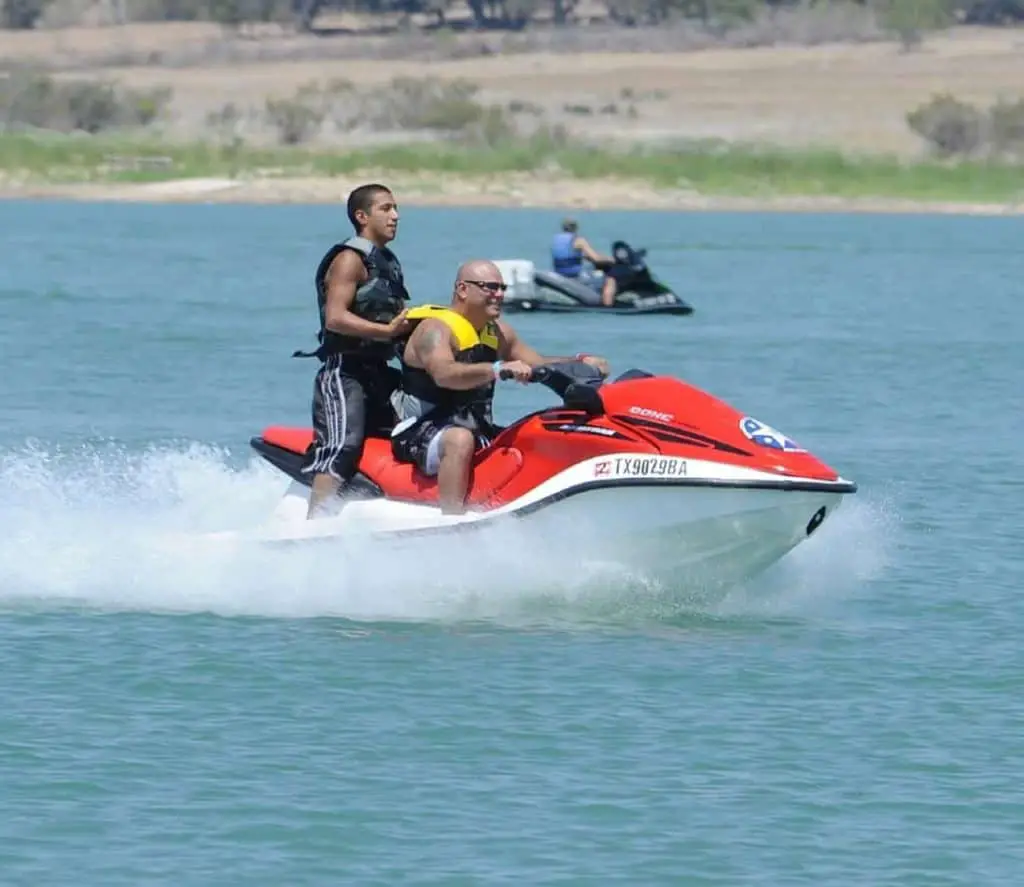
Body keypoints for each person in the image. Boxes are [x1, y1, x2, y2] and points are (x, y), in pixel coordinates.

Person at [391, 259, 610, 515]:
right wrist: (496, 370)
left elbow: (537, 363)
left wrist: (580, 361)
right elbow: (445, 375)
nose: (500, 295)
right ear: (463, 289)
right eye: (490, 288)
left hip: (476, 426)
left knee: (534, 433)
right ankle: (451, 521)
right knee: (459, 440)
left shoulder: (497, 332)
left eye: (502, 288)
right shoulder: (434, 330)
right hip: (420, 430)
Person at [292, 183, 412, 518]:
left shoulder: (388, 263)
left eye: (395, 208)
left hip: (380, 372)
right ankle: (315, 525)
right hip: (344, 373)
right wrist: (386, 331)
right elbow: (335, 318)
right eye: (386, 209)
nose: (395, 216)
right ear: (362, 216)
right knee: (342, 447)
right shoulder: (349, 259)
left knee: (412, 432)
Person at [550, 217, 619, 308]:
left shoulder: (556, 239)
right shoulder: (579, 240)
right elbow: (596, 258)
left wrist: (586, 257)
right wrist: (613, 259)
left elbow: (570, 255)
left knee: (590, 270)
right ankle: (607, 305)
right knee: (610, 280)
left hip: (560, 272)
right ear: (576, 228)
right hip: (574, 275)